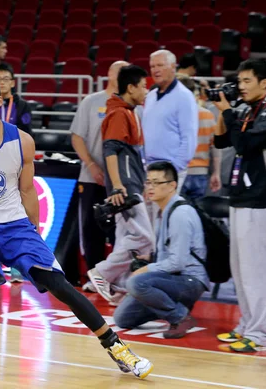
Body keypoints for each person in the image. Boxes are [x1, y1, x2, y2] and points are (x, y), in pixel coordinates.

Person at [0, 79, 153, 380]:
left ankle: (117, 348)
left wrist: (33, 233)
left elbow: (28, 191)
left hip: (16, 226)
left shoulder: (22, 141)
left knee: (61, 286)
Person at [213, 59, 266, 353]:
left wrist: (230, 112)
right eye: (239, 82)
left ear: (264, 84)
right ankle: (246, 324)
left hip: (260, 199)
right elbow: (221, 142)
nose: (241, 87)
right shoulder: (247, 110)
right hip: (240, 195)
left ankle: (261, 335)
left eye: (246, 82)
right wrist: (224, 110)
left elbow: (244, 144)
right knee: (241, 269)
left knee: (256, 270)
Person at [114, 161, 209, 339]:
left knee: (136, 283)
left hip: (189, 280)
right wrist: (149, 258)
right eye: (148, 182)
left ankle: (180, 316)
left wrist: (147, 269)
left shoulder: (180, 214)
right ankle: (174, 307)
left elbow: (178, 262)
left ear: (172, 185)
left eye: (157, 183)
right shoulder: (162, 211)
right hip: (173, 278)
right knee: (122, 318)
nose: (151, 187)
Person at [87, 65, 155, 305]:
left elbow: (133, 155)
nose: (147, 90)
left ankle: (117, 283)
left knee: (126, 235)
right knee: (145, 238)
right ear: (131, 87)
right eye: (144, 86)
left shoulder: (129, 111)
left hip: (131, 183)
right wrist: (117, 186)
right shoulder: (119, 113)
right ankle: (102, 273)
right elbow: (110, 151)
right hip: (125, 189)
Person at [70, 60, 128, 292]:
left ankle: (118, 276)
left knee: (120, 229)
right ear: (110, 74)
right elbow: (77, 137)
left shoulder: (131, 104)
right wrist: (92, 165)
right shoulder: (91, 101)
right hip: (90, 176)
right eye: (120, 71)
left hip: (121, 180)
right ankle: (95, 276)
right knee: (91, 227)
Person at [143, 50, 198, 190]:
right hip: (148, 168)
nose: (155, 70)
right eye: (152, 66)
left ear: (173, 67)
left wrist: (173, 170)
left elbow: (189, 138)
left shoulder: (184, 96)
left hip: (170, 169)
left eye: (160, 65)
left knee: (166, 212)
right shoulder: (150, 96)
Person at [176, 74, 222, 200]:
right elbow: (215, 147)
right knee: (196, 215)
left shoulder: (173, 116)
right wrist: (216, 172)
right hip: (201, 173)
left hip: (178, 172)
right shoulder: (208, 115)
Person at [0, 63, 33, 136]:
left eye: (6, 79)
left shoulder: (23, 106)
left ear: (13, 83)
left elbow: (26, 131)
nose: (2, 82)